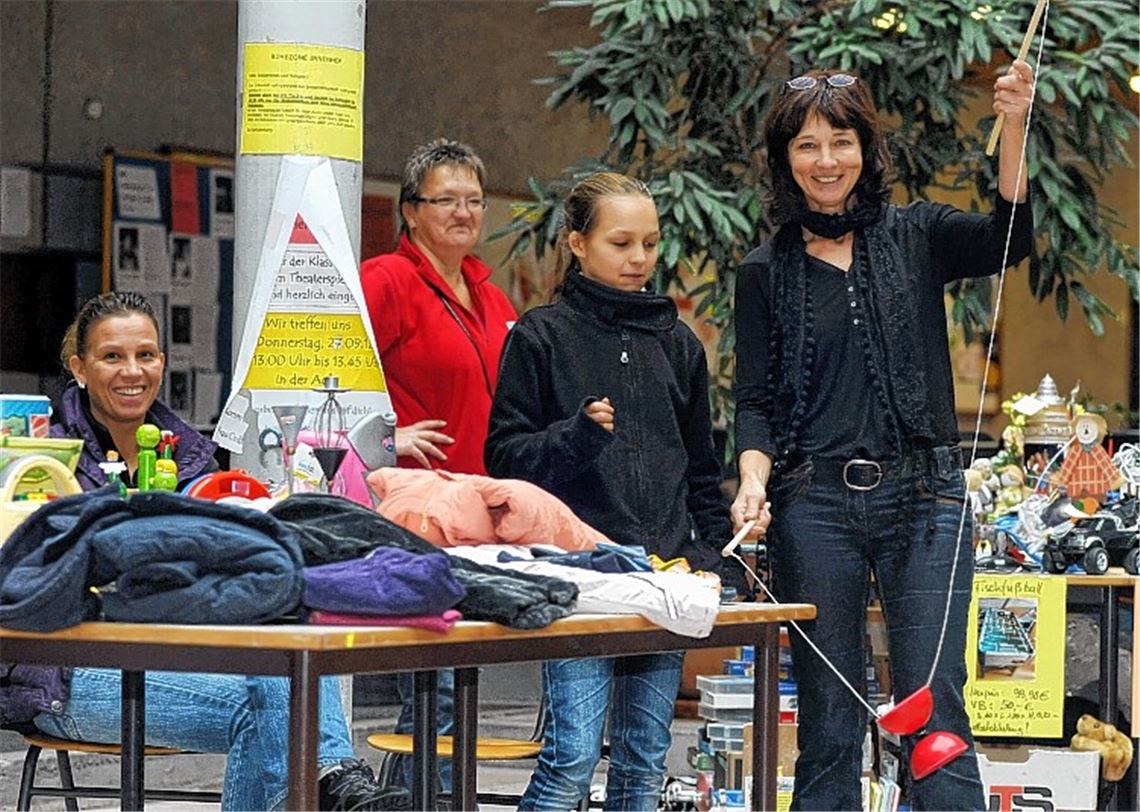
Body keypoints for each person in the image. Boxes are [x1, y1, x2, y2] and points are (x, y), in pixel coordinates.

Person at [731, 63, 1035, 810]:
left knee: (936, 707)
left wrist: (1017, 124)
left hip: (926, 498)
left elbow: (1009, 238)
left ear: (867, 148)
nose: (826, 160)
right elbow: (756, 401)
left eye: (841, 140)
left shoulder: (918, 234)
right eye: (807, 145)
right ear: (784, 159)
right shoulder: (764, 270)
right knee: (830, 721)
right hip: (814, 510)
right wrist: (751, 482)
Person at [15, 291, 395, 811]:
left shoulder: (193, 457)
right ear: (79, 368)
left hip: (179, 653)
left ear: (162, 363)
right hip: (67, 674)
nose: (133, 371)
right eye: (112, 356)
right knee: (273, 710)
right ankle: (337, 778)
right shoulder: (44, 453)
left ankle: (335, 775)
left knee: (285, 642)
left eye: (145, 355)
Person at [485, 172, 748, 810]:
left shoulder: (679, 343)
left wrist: (715, 557)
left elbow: (700, 468)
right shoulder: (538, 336)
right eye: (621, 243)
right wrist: (574, 438)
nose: (639, 259)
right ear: (577, 243)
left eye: (651, 244)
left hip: (665, 575)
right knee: (571, 759)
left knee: (643, 763)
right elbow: (502, 460)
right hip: (578, 578)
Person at [360, 138, 518, 790]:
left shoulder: (487, 290)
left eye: (474, 200)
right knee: (439, 684)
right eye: (446, 199)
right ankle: (415, 801)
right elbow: (328, 378)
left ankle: (410, 801)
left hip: (483, 509)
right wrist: (385, 440)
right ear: (410, 210)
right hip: (419, 508)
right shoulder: (387, 281)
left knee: (453, 682)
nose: (464, 212)